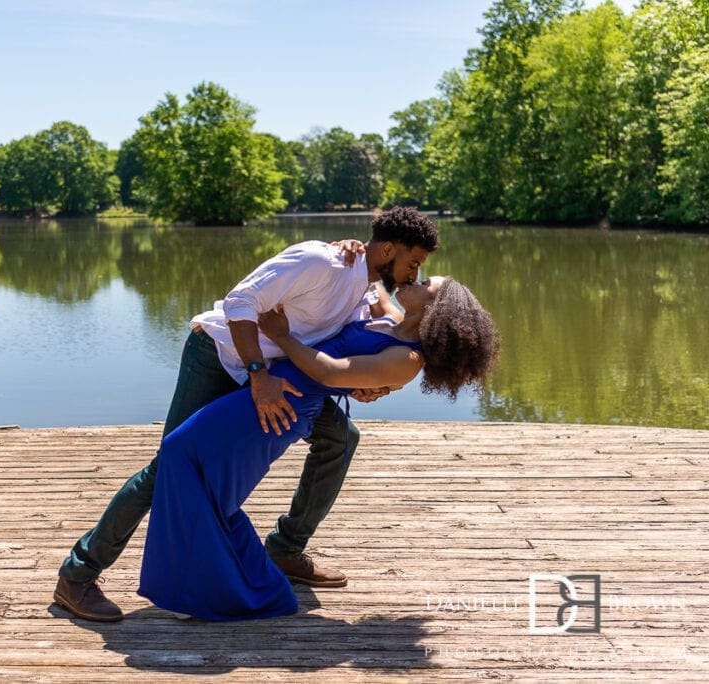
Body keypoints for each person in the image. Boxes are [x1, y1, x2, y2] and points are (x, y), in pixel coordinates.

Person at [55, 208, 440, 622]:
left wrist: (370, 385)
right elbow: (241, 302)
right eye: (413, 262)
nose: (414, 275)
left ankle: (285, 550)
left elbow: (376, 337)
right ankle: (76, 577)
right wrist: (258, 377)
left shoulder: (363, 284)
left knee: (340, 438)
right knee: (169, 466)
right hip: (220, 358)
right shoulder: (320, 262)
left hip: (282, 375)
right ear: (386, 249)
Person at [138, 276, 500, 620]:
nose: (414, 280)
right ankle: (200, 586)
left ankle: (215, 590)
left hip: (285, 406)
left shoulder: (407, 360)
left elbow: (329, 373)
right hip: (274, 393)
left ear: (435, 308)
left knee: (188, 459)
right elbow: (374, 283)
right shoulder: (391, 321)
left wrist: (281, 336)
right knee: (187, 460)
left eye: (425, 284)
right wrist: (353, 248)